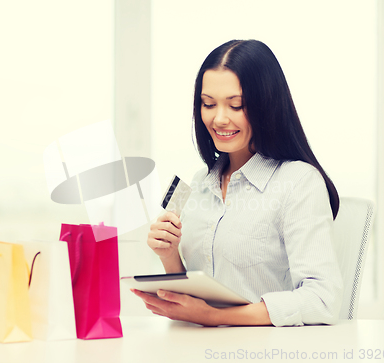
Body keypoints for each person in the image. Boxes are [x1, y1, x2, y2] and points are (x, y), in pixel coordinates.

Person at [132, 39, 343, 327]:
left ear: (266, 106)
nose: (219, 118)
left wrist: (213, 317)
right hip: (195, 347)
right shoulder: (200, 182)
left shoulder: (299, 182)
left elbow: (322, 300)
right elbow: (199, 291)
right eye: (208, 104)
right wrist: (169, 256)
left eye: (236, 105)